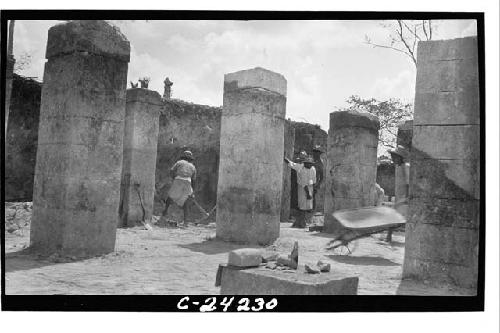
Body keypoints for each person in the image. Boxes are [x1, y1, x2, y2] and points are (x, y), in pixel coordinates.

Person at [161, 150, 197, 227]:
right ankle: (186, 222)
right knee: (185, 202)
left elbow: (171, 171)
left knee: (170, 198)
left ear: (183, 157)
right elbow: (193, 180)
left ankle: (164, 213)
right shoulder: (193, 166)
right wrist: (192, 191)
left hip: (178, 180)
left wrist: (174, 178)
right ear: (190, 158)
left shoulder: (179, 162)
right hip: (188, 182)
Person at [284, 155, 316, 228]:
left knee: (307, 206)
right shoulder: (301, 168)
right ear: (305, 163)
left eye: (311, 164)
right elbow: (291, 163)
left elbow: (313, 181)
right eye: (308, 164)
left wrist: (312, 191)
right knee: (302, 206)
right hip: (303, 188)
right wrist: (308, 193)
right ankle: (301, 222)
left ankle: (300, 222)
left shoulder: (313, 169)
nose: (310, 165)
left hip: (310, 187)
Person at [387, 145, 410, 242]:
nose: (392, 158)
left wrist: (407, 198)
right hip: (399, 197)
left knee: (394, 217)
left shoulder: (406, 166)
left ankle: (389, 236)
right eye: (392, 156)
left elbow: (408, 183)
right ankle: (389, 235)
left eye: (394, 156)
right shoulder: (398, 167)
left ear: (400, 157)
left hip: (404, 198)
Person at [311, 145, 325, 213]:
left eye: (316, 152)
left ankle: (312, 212)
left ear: (319, 153)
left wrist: (318, 185)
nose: (314, 153)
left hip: (315, 183)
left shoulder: (320, 163)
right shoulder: (313, 161)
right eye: (314, 152)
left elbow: (322, 176)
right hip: (309, 182)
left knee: (312, 197)